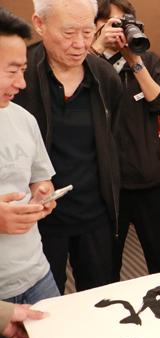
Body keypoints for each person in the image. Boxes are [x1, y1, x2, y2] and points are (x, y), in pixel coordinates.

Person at [14, 0, 123, 294]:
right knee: (45, 303)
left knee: (100, 296)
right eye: (68, 32)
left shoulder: (104, 76)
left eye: (88, 32)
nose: (80, 44)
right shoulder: (20, 77)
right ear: (39, 24)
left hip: (95, 212)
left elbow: (111, 139)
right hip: (39, 217)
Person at [92, 0, 160, 281]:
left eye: (124, 24)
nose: (120, 31)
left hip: (145, 178)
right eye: (112, 24)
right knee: (107, 263)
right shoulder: (88, 63)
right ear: (96, 27)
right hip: (105, 185)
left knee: (158, 256)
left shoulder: (149, 60)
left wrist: (134, 60)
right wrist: (97, 49)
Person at [0, 6, 60, 338]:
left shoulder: (23, 119)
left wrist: (43, 194)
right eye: (12, 71)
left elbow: (40, 176)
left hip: (36, 272)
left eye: (23, 70)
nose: (22, 83)